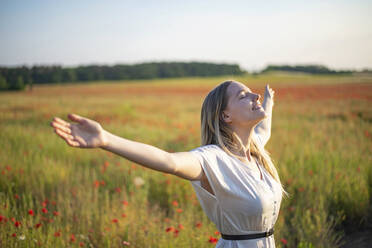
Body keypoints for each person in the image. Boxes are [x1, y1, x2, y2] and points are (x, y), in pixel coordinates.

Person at [50, 80, 288, 248]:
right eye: (243, 96)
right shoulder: (213, 159)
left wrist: (268, 101)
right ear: (225, 116)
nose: (254, 96)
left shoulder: (256, 150)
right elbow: (169, 161)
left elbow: (264, 128)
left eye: (252, 93)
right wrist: (106, 140)